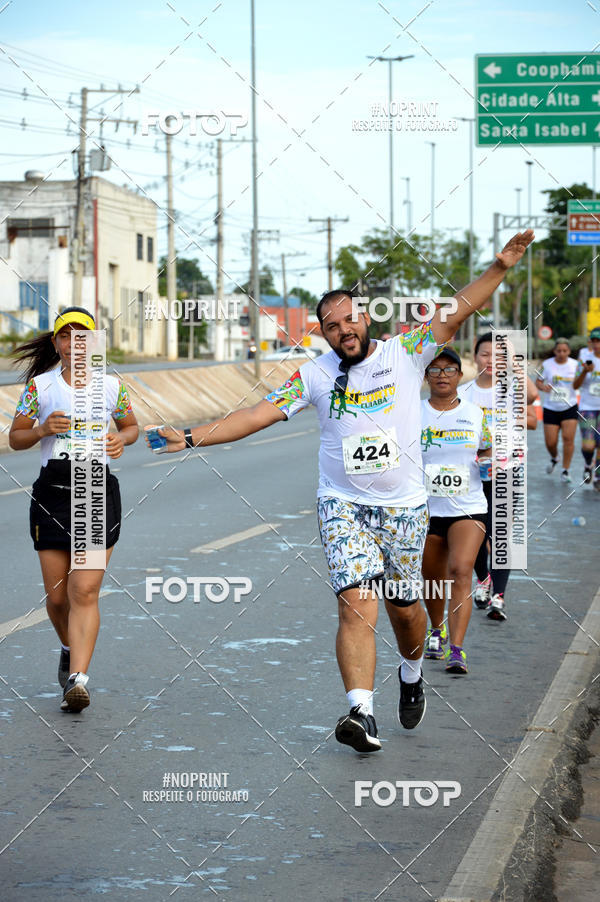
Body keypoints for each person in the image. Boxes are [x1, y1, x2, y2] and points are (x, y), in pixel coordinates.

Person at [148, 231, 533, 753]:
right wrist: (193, 436)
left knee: (403, 608)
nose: (343, 331)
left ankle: (413, 669)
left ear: (364, 318)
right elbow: (257, 415)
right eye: (332, 326)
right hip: (342, 504)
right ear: (324, 334)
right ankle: (361, 712)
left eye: (350, 320)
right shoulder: (314, 374)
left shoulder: (408, 351)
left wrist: (500, 266)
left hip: (404, 508)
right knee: (356, 604)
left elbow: (458, 309)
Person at [8, 307, 139, 713]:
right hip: (53, 493)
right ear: (57, 343)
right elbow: (14, 438)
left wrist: (122, 440)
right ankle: (68, 646)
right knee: (57, 597)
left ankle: (78, 680)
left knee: (84, 589)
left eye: (83, 337)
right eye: (66, 337)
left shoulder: (112, 387)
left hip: (95, 489)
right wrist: (43, 429)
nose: (74, 344)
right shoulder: (40, 388)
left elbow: (131, 426)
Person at [420, 349, 491, 673]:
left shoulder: (476, 414)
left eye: (449, 369)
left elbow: (488, 453)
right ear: (426, 377)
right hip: (425, 508)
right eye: (435, 370)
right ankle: (437, 628)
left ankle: (457, 649)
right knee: (432, 578)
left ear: (460, 375)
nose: (442, 375)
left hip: (469, 506)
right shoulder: (412, 413)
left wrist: (493, 466)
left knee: (462, 569)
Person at [459, 335, 538, 621]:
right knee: (476, 531)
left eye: (497, 356)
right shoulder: (464, 392)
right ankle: (483, 579)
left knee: (501, 533)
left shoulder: (510, 389)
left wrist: (517, 365)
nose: (490, 361)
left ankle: (498, 597)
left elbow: (531, 397)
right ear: (475, 357)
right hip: (472, 472)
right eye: (484, 354)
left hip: (507, 468)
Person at [536, 338, 578, 484]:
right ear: (554, 351)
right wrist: (543, 387)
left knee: (568, 439)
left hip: (569, 406)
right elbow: (538, 381)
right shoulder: (546, 364)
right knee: (551, 442)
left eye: (564, 351)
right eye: (558, 351)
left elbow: (581, 381)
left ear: (569, 351)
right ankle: (555, 457)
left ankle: (565, 470)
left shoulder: (575, 364)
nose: (561, 353)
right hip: (551, 408)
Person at [573, 327, 600, 489]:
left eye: (599, 341)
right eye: (594, 341)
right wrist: (584, 372)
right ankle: (588, 463)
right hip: (587, 406)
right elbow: (575, 385)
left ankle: (598, 476)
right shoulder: (584, 357)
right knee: (589, 445)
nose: (596, 344)